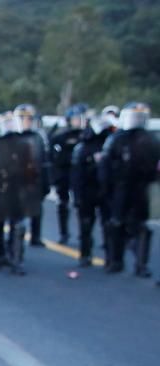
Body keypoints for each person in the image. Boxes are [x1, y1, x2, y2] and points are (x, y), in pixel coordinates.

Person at [99, 102, 159, 277]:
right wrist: (105, 187)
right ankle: (115, 260)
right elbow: (106, 165)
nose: (137, 120)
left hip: (142, 188)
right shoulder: (116, 139)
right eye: (134, 116)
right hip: (120, 187)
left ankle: (141, 264)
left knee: (141, 226)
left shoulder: (151, 139)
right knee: (116, 223)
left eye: (141, 117)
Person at [0, 111, 41, 275]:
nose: (9, 126)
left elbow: (33, 169)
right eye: (6, 123)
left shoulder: (25, 145)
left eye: (11, 123)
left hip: (18, 189)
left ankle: (16, 260)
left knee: (17, 226)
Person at [70, 108, 117, 266]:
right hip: (88, 189)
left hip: (106, 189)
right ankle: (86, 254)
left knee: (108, 224)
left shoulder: (113, 143)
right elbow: (77, 175)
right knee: (86, 223)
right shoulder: (83, 146)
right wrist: (77, 196)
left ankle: (111, 257)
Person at [50, 104, 87, 245]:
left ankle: (84, 235)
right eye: (75, 119)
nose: (78, 121)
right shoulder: (61, 137)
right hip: (64, 175)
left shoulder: (87, 136)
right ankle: (64, 233)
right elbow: (52, 153)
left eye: (80, 118)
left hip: (82, 176)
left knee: (82, 206)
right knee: (63, 204)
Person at [14, 104, 50, 247]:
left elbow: (44, 162)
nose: (27, 122)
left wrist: (46, 183)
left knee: (37, 210)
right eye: (23, 119)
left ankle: (36, 236)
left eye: (29, 119)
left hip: (35, 179)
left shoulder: (39, 138)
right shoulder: (11, 137)